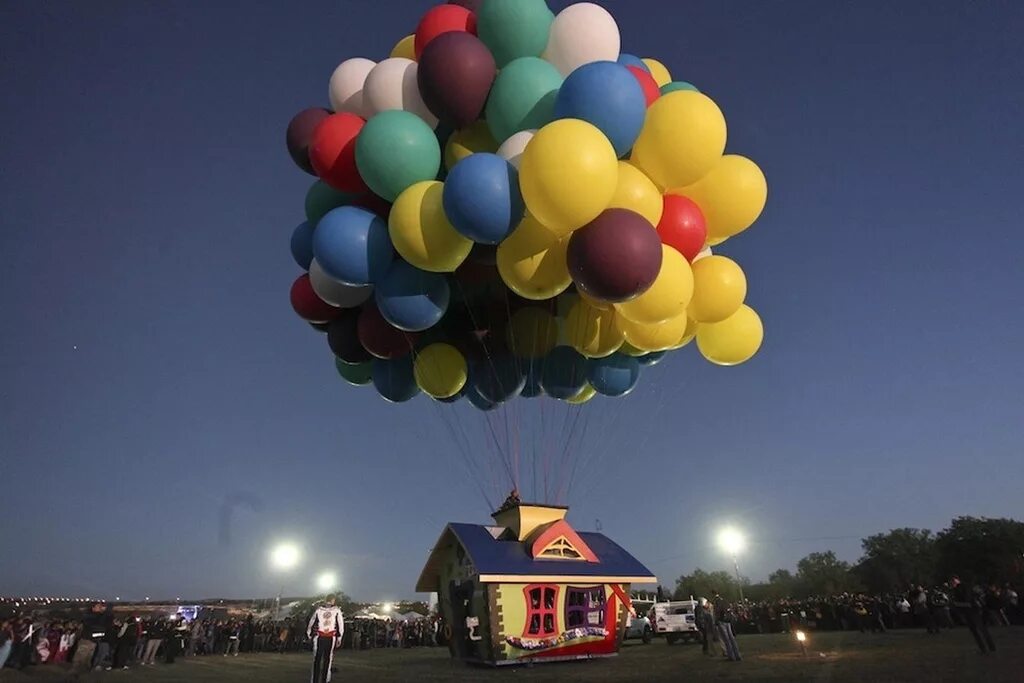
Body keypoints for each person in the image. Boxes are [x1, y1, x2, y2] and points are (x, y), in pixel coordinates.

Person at [950, 576, 996, 654]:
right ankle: (987, 647)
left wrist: (957, 604)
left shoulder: (962, 589)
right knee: (980, 630)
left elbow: (967, 601)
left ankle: (986, 648)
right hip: (971, 611)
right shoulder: (962, 588)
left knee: (979, 630)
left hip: (971, 611)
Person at [306, 594, 345, 683]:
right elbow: (340, 624)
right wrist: (340, 637)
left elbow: (311, 623)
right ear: (333, 600)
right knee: (327, 659)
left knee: (317, 659)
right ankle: (325, 679)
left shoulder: (318, 610)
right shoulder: (336, 610)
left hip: (319, 636)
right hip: (330, 636)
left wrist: (309, 634)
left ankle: (314, 680)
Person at [712, 591, 741, 662]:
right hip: (728, 621)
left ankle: (731, 656)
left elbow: (717, 612)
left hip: (722, 621)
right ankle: (737, 655)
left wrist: (716, 621)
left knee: (726, 639)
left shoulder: (716, 601)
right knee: (732, 638)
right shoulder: (724, 600)